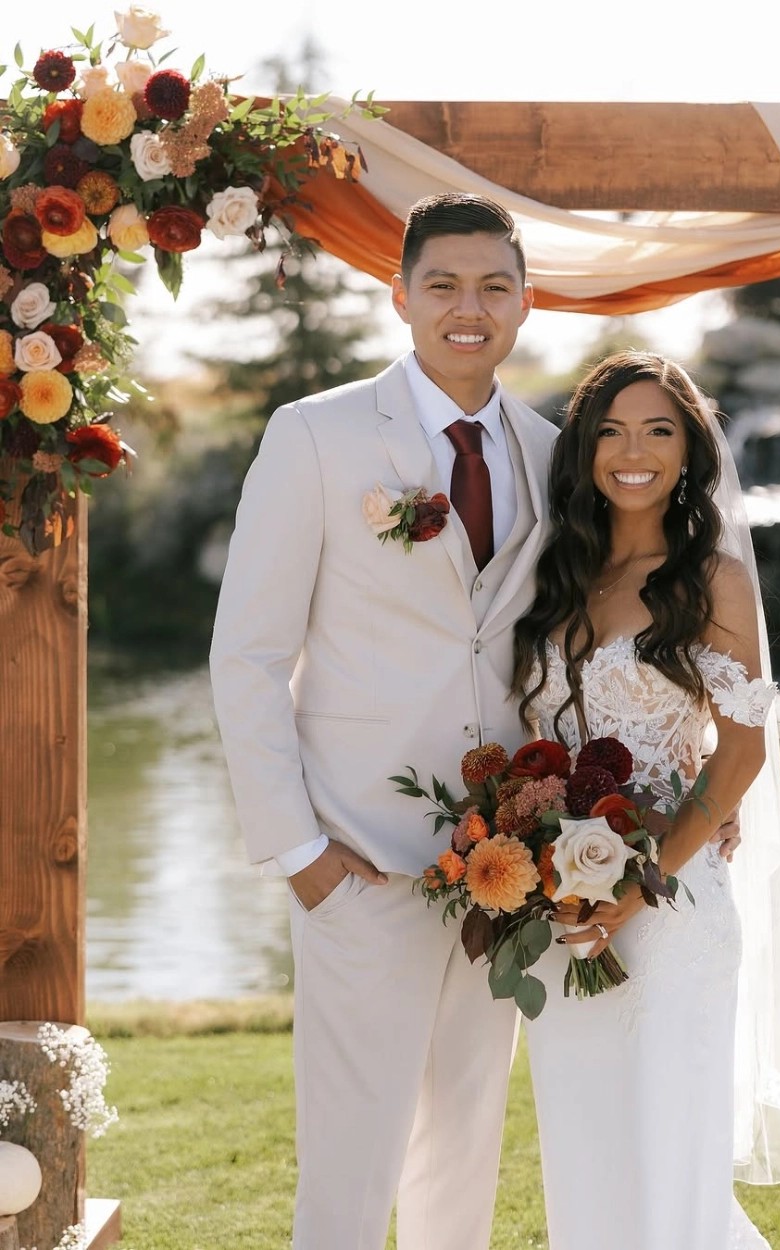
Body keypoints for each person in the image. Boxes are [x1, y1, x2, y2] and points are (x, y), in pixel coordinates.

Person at [208, 191, 560, 1250]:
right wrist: (300, 850)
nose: (469, 307)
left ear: (524, 302)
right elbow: (250, 654)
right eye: (444, 284)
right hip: (356, 859)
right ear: (399, 293)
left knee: (465, 1141)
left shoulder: (551, 450)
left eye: (494, 286)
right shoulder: (313, 436)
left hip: (502, 868)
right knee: (353, 1158)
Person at [511, 350, 780, 1250]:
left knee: (671, 1163)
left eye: (659, 429)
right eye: (611, 430)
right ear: (585, 450)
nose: (633, 450)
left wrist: (634, 889)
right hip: (562, 910)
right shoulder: (553, 576)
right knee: (585, 1152)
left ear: (690, 449)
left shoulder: (712, 580)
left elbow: (741, 752)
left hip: (672, 908)